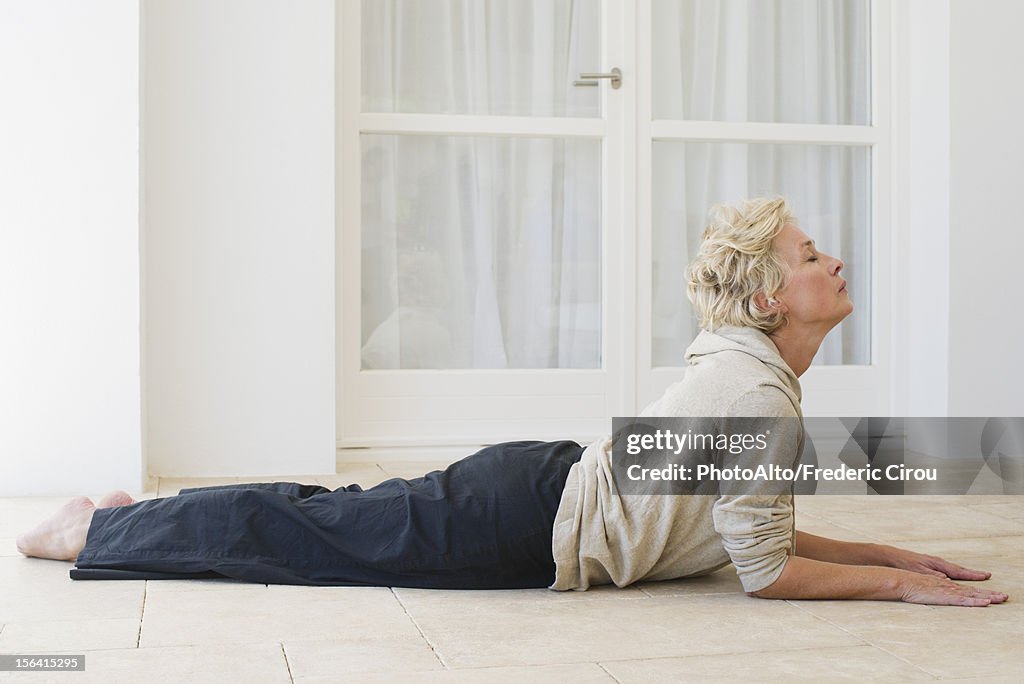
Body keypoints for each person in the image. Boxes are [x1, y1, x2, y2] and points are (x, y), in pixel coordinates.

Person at [17, 197, 1007, 607]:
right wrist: (904, 586)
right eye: (807, 256)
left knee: (321, 515)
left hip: (532, 492)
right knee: (306, 536)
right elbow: (764, 571)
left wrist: (886, 550)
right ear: (763, 297)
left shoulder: (752, 379)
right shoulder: (756, 394)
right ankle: (90, 535)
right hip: (522, 521)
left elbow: (762, 533)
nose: (832, 260)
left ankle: (126, 518)